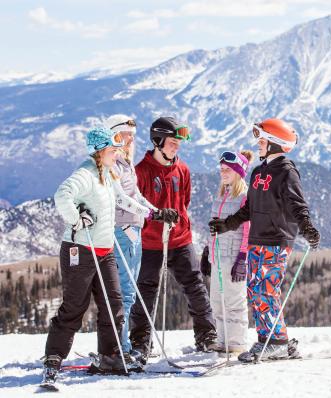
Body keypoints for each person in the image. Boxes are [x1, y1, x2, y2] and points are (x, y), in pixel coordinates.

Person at [209, 118, 320, 362]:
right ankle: (268, 339)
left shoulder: (286, 172)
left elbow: (297, 204)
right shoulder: (259, 171)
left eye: (262, 140)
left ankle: (276, 342)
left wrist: (307, 227)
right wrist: (227, 224)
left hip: (277, 239)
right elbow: (248, 209)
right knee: (255, 291)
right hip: (257, 240)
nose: (258, 144)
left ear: (276, 143)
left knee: (267, 291)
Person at [42, 126, 129, 384]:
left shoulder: (107, 173)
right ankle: (53, 358)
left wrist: (152, 214)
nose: (117, 154)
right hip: (79, 249)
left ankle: (110, 356)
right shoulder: (85, 173)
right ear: (99, 151)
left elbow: (122, 199)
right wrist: (76, 221)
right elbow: (62, 195)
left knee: (114, 304)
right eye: (113, 150)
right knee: (75, 306)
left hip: (105, 249)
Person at [129, 116, 216, 362]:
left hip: (180, 239)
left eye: (178, 142)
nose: (176, 146)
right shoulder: (141, 172)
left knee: (195, 286)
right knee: (145, 292)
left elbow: (184, 202)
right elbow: (137, 207)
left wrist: (179, 224)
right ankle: (140, 343)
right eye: (171, 141)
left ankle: (207, 336)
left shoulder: (183, 170)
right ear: (157, 141)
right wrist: (154, 221)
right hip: (150, 243)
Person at [104, 114, 177, 365]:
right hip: (121, 231)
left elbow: (135, 195)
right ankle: (120, 348)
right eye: (127, 135)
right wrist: (151, 213)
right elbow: (120, 199)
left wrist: (156, 212)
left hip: (133, 231)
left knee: (130, 293)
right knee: (124, 292)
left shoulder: (125, 163)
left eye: (133, 136)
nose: (131, 140)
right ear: (114, 134)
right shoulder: (112, 165)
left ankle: (121, 346)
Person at [200, 150, 253, 354]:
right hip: (218, 257)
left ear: (238, 171)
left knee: (234, 303)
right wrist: (207, 251)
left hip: (233, 258)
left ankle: (237, 343)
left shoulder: (244, 197)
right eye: (221, 169)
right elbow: (213, 227)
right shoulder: (222, 194)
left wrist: (242, 258)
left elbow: (247, 230)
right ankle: (223, 342)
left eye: (228, 170)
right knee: (217, 301)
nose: (223, 173)